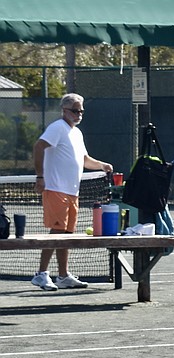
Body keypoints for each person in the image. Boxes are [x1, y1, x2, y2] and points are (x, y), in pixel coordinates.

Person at [31, 93, 113, 290]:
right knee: (57, 231)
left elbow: (84, 159)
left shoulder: (76, 133)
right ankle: (41, 274)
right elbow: (38, 146)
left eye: (81, 111)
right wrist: (40, 177)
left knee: (67, 234)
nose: (79, 114)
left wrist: (102, 165)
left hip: (72, 192)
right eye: (75, 111)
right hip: (55, 189)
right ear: (64, 111)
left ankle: (63, 275)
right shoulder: (57, 128)